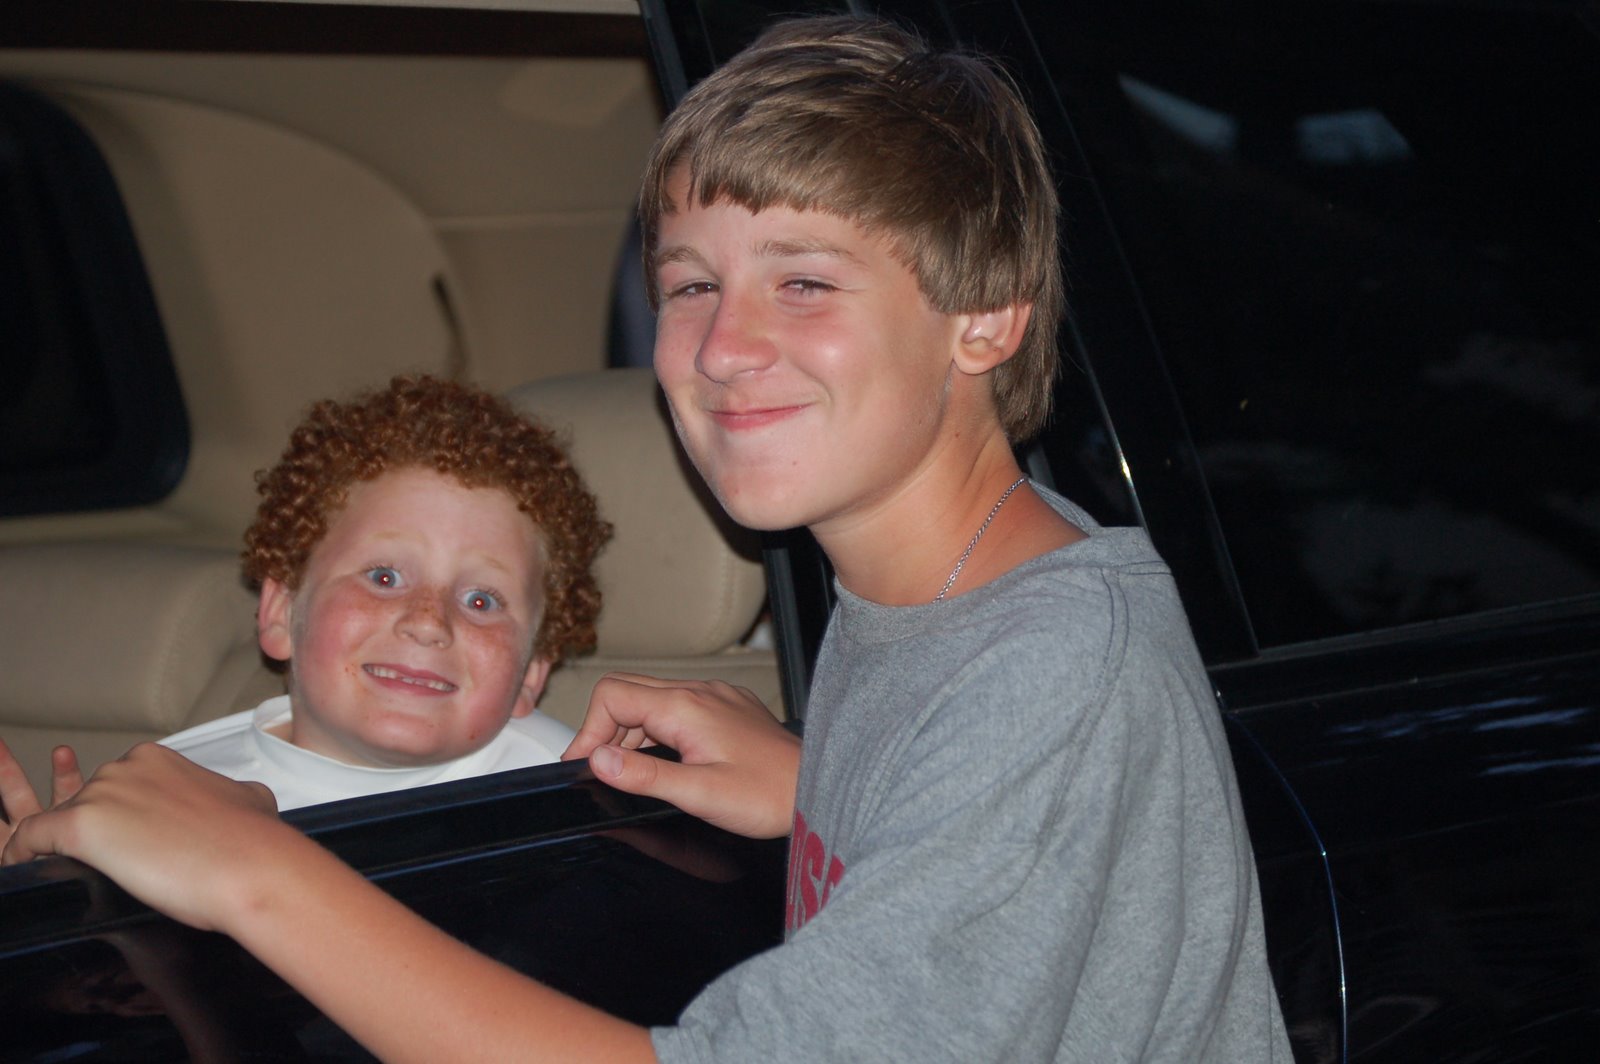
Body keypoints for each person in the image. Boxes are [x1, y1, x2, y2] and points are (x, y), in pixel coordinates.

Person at [1, 16, 1293, 1062]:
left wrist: (253, 870)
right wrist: (820, 787)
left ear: (987, 318)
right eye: (689, 283)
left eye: (804, 281)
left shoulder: (1057, 664)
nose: (722, 348)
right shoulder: (931, 590)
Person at [0, 375, 608, 812]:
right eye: (384, 577)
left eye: (481, 601)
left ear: (531, 673)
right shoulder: (174, 789)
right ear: (281, 611)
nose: (428, 621)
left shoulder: (567, 796)